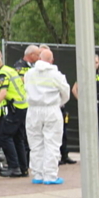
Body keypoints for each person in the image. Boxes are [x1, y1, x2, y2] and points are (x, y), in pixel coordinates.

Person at [23, 47, 70, 185]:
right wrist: (58, 104)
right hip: (51, 109)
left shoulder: (29, 74)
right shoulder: (56, 75)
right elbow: (65, 93)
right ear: (52, 60)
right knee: (52, 143)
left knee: (35, 144)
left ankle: (37, 174)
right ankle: (50, 176)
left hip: (33, 110)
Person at [0, 59, 29, 177]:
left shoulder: (2, 74)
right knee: (18, 138)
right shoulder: (10, 70)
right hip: (23, 106)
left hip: (16, 108)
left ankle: (14, 166)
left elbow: (3, 93)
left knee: (4, 136)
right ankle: (23, 168)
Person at [72, 54, 99, 162]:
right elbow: (74, 89)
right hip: (89, 108)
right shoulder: (85, 74)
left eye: (96, 62)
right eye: (93, 62)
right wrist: (82, 102)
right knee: (89, 132)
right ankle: (88, 155)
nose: (95, 65)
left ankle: (97, 154)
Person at [12, 45, 39, 168]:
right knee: (22, 135)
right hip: (21, 105)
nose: (39, 57)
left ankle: (30, 162)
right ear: (31, 55)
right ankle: (24, 162)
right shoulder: (19, 66)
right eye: (37, 55)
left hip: (33, 105)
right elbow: (20, 81)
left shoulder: (35, 66)